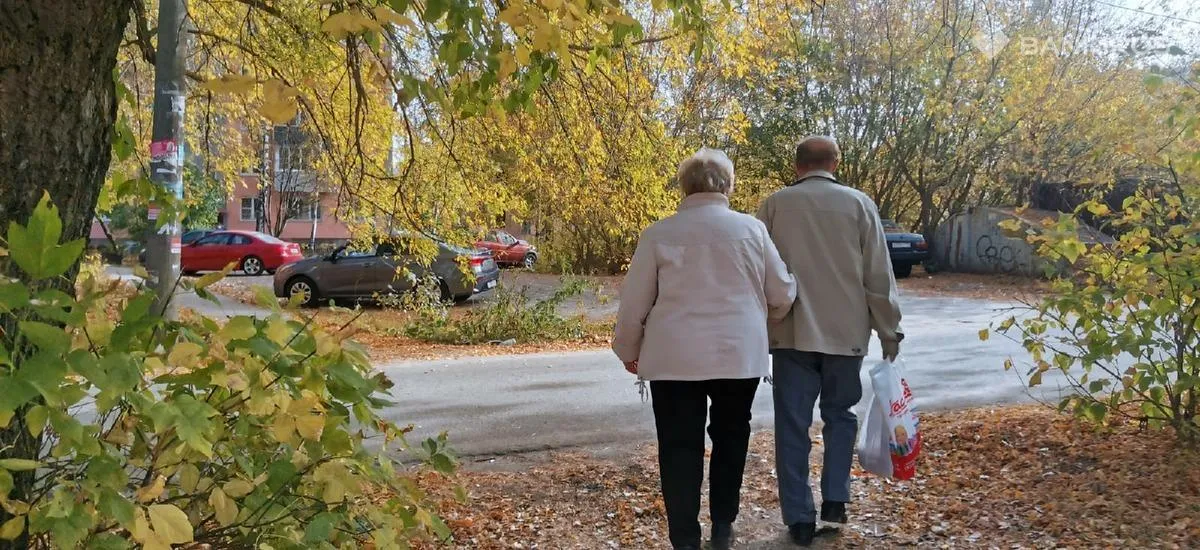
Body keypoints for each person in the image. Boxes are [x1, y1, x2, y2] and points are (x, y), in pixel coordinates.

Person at [613, 148, 796, 550]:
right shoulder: (751, 231)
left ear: (684, 187)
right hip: (738, 354)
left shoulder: (659, 234)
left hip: (673, 358)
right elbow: (781, 292)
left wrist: (627, 349)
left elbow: (635, 303)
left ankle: (684, 538)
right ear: (728, 186)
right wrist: (767, 320)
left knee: (679, 446)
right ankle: (723, 527)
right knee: (732, 438)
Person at [756, 136, 903, 546]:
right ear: (836, 162)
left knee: (792, 426)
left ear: (797, 164)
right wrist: (889, 329)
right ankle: (836, 499)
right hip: (847, 334)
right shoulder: (859, 205)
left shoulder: (774, 205)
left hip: (791, 333)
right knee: (841, 416)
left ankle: (799, 517)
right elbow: (878, 275)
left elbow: (758, 270)